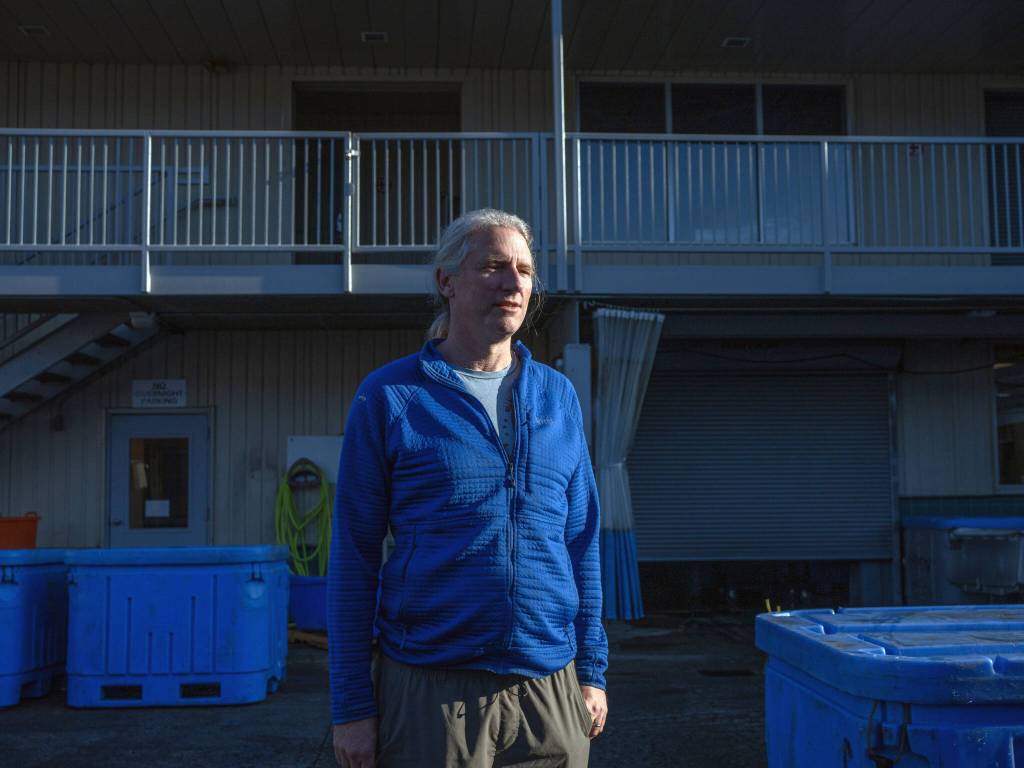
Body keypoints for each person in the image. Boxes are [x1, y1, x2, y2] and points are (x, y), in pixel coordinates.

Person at [328, 208, 608, 768]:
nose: (513, 283)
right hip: (432, 692)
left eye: (525, 271)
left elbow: (581, 542)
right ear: (446, 282)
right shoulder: (390, 397)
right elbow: (354, 559)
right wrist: (352, 706)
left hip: (550, 689)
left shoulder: (558, 397)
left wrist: (592, 670)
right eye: (493, 267)